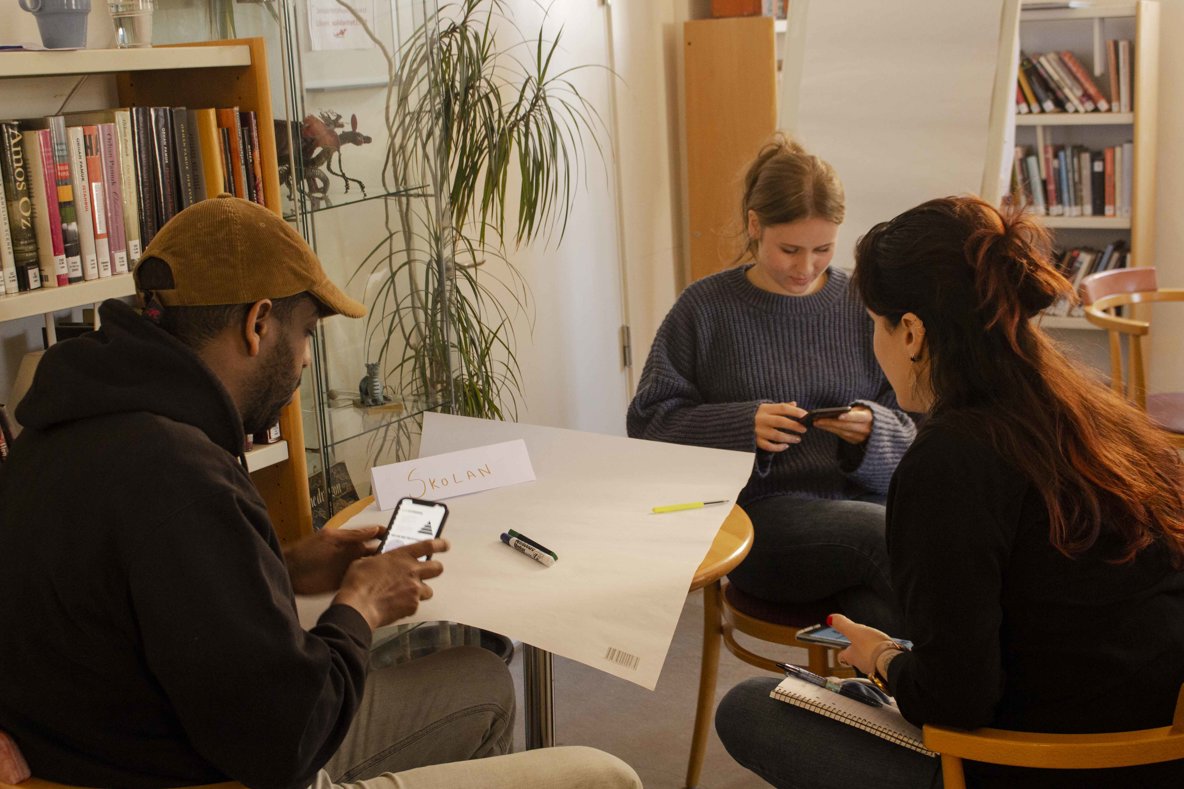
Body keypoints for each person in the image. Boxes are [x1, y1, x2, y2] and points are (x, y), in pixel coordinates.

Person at [0, 195, 640, 789]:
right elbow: (291, 737)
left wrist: (279, 565)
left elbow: (139, 600)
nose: (306, 359)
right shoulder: (183, 475)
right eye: (307, 332)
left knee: (467, 676)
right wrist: (359, 605)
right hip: (227, 771)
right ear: (257, 324)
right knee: (549, 733)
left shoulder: (51, 436)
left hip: (109, 754)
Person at [714, 195, 1184, 788]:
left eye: (874, 325)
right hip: (1155, 750)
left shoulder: (949, 460)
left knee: (754, 706)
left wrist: (883, 660)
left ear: (911, 332)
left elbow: (955, 701)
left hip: (1033, 760)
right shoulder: (1097, 416)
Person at [627, 135, 916, 633]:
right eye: (789, 249)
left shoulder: (862, 303)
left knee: (880, 614)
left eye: (823, 249)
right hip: (760, 524)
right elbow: (648, 423)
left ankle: (883, 704)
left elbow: (918, 423)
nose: (805, 268)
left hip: (864, 505)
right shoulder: (705, 308)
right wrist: (742, 426)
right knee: (896, 540)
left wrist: (876, 430)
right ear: (754, 225)